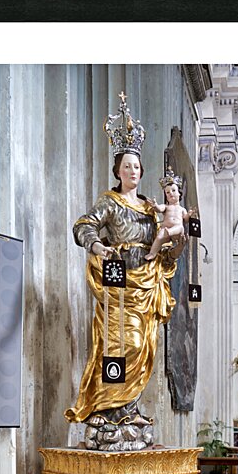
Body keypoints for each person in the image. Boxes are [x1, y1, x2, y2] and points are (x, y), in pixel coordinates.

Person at [64, 93, 185, 451]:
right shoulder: (109, 202)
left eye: (137, 167)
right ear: (118, 170)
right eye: (126, 166)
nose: (132, 171)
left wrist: (174, 242)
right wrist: (98, 246)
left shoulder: (150, 206)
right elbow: (83, 225)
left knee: (144, 346)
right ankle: (105, 406)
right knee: (120, 343)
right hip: (118, 277)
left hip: (146, 281)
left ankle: (128, 408)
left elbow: (166, 243)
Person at [144, 170, 194, 260]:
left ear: (179, 193)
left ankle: (170, 232)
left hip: (177, 232)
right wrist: (155, 205)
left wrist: (189, 214)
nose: (170, 193)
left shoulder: (182, 209)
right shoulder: (166, 207)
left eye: (173, 190)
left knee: (180, 227)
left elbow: (186, 220)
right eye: (167, 192)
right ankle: (152, 253)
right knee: (158, 238)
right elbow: (159, 209)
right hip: (165, 229)